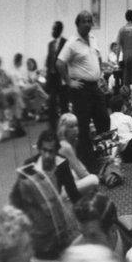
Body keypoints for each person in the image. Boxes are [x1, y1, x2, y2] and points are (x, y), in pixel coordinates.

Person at [10, 129, 82, 260]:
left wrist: (88, 215)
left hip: (56, 212)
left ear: (57, 150)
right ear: (39, 148)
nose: (47, 155)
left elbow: (73, 194)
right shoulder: (29, 166)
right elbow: (16, 198)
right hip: (37, 218)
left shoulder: (62, 164)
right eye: (44, 150)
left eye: (51, 151)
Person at [57, 10, 110, 171]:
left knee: (104, 120)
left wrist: (100, 75)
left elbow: (98, 57)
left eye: (89, 21)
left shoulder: (93, 38)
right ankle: (89, 165)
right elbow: (59, 63)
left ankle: (105, 159)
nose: (88, 24)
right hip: (81, 89)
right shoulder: (72, 42)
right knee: (83, 126)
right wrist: (69, 82)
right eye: (84, 21)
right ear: (78, 24)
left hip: (95, 87)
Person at [56, 113, 100, 197]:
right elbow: (79, 171)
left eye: (76, 125)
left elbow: (78, 165)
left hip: (66, 181)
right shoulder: (66, 146)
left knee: (88, 179)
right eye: (71, 127)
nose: (75, 129)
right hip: (61, 190)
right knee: (94, 179)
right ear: (64, 129)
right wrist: (90, 177)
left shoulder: (71, 142)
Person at [45, 20, 68, 127]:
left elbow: (67, 61)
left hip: (61, 78)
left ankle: (66, 124)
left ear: (59, 30)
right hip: (52, 78)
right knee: (51, 103)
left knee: (64, 103)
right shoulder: (50, 44)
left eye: (54, 29)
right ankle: (52, 127)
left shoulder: (66, 43)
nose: (52, 31)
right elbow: (48, 61)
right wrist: (47, 77)